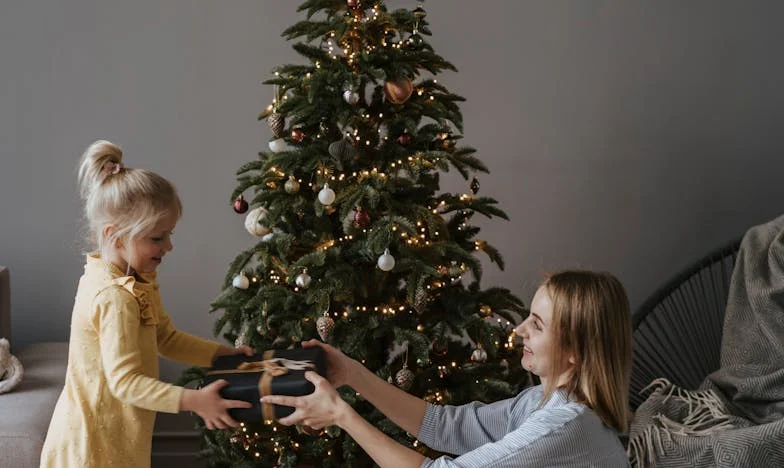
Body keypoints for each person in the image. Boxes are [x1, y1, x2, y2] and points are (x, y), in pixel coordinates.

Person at [262, 270, 633, 467]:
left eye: (537, 325)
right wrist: (354, 374)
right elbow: (444, 426)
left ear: (577, 352)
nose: (519, 330)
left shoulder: (564, 426)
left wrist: (342, 416)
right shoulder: (541, 401)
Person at [40, 140, 253, 468]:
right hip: (92, 449)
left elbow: (165, 338)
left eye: (170, 235)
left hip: (119, 439)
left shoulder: (135, 279)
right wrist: (194, 401)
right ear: (116, 236)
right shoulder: (115, 296)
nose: (168, 246)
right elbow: (124, 382)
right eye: (156, 238)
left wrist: (223, 356)